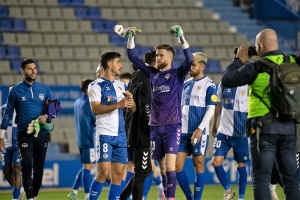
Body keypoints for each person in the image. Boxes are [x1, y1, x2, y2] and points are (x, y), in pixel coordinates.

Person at [116, 24, 194, 199]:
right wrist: (130, 38)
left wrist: (182, 38)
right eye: (157, 55)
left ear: (171, 57)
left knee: (171, 165)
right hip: (155, 128)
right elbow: (133, 57)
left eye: (161, 55)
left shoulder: (178, 75)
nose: (157, 58)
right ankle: (166, 194)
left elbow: (190, 60)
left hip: (173, 126)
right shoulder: (152, 73)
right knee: (163, 167)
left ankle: (171, 198)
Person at [221, 28, 300, 199]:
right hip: (289, 127)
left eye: (256, 46)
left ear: (261, 45)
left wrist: (238, 60)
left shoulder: (255, 67)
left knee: (261, 179)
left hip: (263, 129)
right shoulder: (293, 62)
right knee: (291, 180)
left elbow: (227, 80)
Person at [0, 58, 53, 200]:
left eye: (35, 68)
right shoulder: (15, 91)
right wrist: (1, 137)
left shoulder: (44, 89)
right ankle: (30, 198)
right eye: (30, 68)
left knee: (39, 170)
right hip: (23, 135)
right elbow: (7, 114)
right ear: (22, 71)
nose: (33, 71)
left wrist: (47, 116)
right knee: (26, 166)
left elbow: (54, 109)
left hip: (42, 134)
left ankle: (33, 195)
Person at [88, 52, 136, 200]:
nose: (121, 65)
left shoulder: (122, 85)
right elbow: (95, 109)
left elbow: (132, 110)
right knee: (103, 173)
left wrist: (131, 102)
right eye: (118, 62)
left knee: (118, 176)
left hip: (121, 136)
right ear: (109, 64)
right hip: (104, 134)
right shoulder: (95, 85)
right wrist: (119, 104)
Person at [175, 52, 217, 200]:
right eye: (189, 64)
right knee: (176, 167)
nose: (190, 67)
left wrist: (200, 129)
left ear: (202, 65)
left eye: (193, 64)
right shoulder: (186, 84)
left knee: (198, 166)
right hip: (183, 132)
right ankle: (190, 197)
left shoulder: (210, 85)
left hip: (199, 132)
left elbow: (211, 110)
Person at [120, 55, 153, 200]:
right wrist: (153, 127)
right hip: (142, 134)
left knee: (146, 170)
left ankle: (122, 198)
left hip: (133, 132)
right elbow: (146, 109)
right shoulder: (146, 80)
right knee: (141, 173)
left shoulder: (133, 81)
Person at [211, 82, 249, 200]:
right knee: (216, 162)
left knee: (241, 164)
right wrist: (214, 124)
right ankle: (228, 191)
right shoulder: (223, 83)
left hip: (240, 133)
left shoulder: (248, 84)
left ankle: (241, 198)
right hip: (223, 132)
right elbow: (218, 104)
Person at [67, 79, 96, 200]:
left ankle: (74, 191)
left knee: (86, 166)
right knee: (88, 167)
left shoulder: (78, 101)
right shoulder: (89, 103)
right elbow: (96, 120)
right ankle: (88, 195)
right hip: (89, 139)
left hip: (81, 139)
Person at [0, 85, 24, 200]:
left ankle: (15, 198)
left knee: (16, 168)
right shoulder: (2, 110)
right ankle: (19, 190)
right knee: (6, 172)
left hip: (19, 145)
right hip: (6, 145)